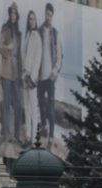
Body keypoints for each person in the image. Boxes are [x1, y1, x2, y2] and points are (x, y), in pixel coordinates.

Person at [0, 3, 23, 144]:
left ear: (17, 16)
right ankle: (6, 133)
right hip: (6, 71)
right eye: (11, 13)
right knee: (6, 103)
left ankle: (17, 134)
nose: (13, 15)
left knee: (18, 104)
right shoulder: (5, 29)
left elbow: (20, 54)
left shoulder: (18, 33)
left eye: (15, 13)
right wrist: (8, 48)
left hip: (16, 73)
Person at [37, 2, 62, 140]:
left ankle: (51, 137)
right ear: (44, 13)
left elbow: (59, 55)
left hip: (50, 76)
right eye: (47, 14)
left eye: (50, 15)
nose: (48, 17)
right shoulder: (39, 31)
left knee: (51, 107)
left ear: (52, 16)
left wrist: (55, 71)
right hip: (40, 75)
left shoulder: (55, 33)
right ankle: (44, 128)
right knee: (40, 103)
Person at [20, 10, 42, 147]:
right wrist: (24, 75)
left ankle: (35, 138)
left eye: (33, 19)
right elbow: (24, 56)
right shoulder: (27, 36)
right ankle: (28, 136)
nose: (31, 21)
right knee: (26, 108)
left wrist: (32, 77)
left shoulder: (37, 37)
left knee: (33, 109)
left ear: (36, 21)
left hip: (32, 77)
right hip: (25, 75)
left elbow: (37, 59)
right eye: (30, 19)